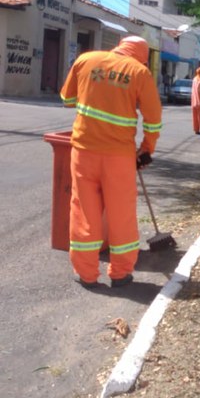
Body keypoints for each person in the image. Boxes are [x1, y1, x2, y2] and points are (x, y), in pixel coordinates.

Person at [59, 35, 163, 289]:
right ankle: (120, 273)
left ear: (119, 46)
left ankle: (87, 274)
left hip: (84, 151)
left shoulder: (85, 60)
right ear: (142, 55)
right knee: (121, 214)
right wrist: (146, 150)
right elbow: (153, 119)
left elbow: (67, 99)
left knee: (84, 211)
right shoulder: (139, 72)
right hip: (119, 157)